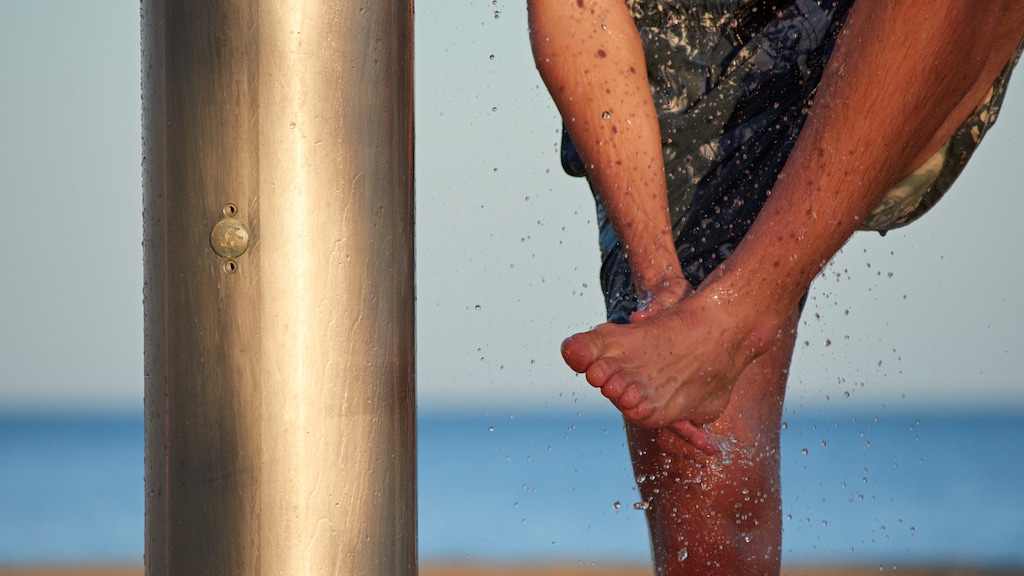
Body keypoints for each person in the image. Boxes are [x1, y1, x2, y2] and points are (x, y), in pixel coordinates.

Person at [527, 0, 1024, 574]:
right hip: (689, 26)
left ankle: (742, 311)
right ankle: (713, 317)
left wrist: (734, 307)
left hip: (902, 33)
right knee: (703, 480)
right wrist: (660, 285)